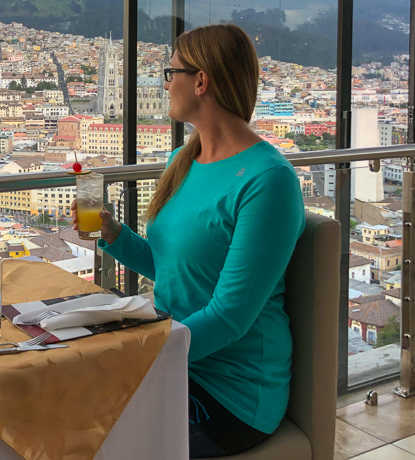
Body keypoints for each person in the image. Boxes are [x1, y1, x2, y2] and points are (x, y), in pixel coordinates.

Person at [72, 24, 305, 457]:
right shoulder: (183, 158)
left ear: (201, 81)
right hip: (175, 358)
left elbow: (230, 317)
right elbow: (176, 270)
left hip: (230, 395)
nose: (164, 83)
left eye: (170, 71)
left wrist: (137, 355)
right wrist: (114, 235)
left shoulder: (268, 180)